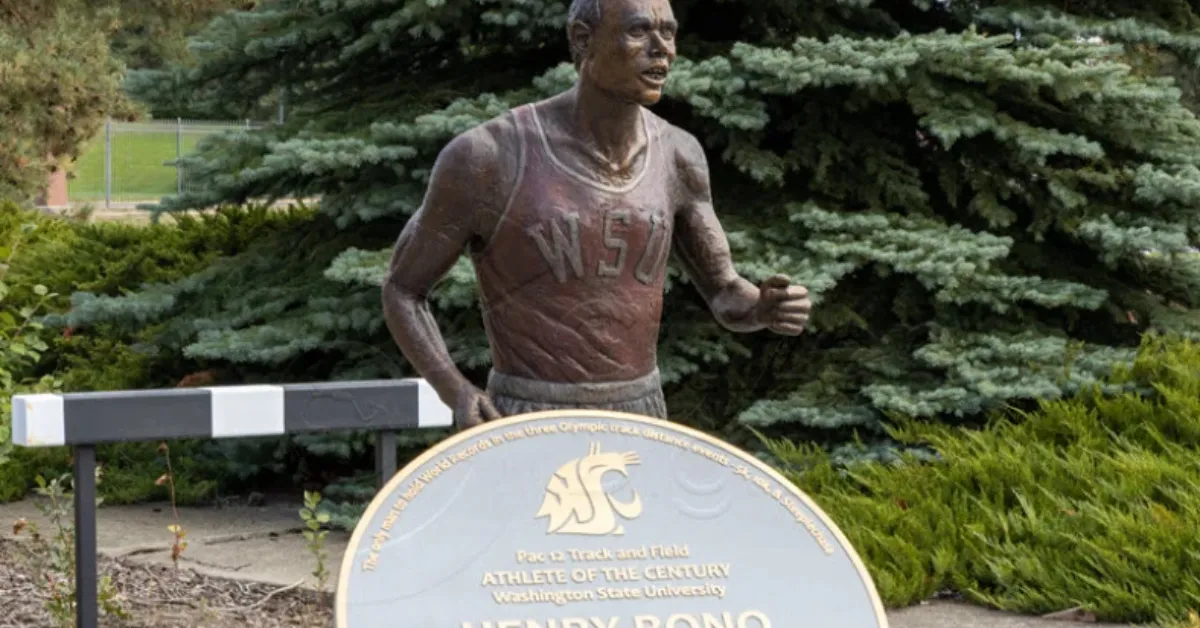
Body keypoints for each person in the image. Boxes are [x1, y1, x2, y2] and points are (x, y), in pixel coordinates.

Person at [382, 0, 812, 429]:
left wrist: (762, 308)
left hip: (641, 414)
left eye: (668, 32)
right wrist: (454, 389)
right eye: (639, 31)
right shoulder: (489, 156)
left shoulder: (678, 155)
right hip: (526, 415)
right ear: (582, 39)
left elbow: (724, 291)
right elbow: (403, 288)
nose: (662, 48)